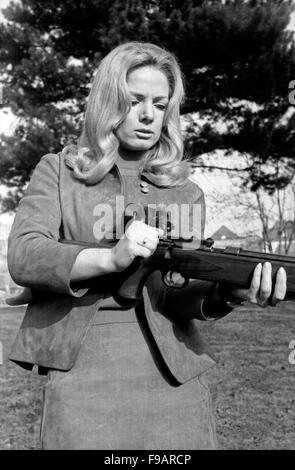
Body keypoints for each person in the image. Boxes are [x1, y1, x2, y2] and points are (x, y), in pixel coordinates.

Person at [6, 42, 287, 450]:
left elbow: (178, 295)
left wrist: (229, 292)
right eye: (134, 100)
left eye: (160, 103)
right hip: (82, 370)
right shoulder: (60, 171)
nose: (147, 115)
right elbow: (25, 254)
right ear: (108, 101)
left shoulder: (185, 191)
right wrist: (111, 257)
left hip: (173, 375)